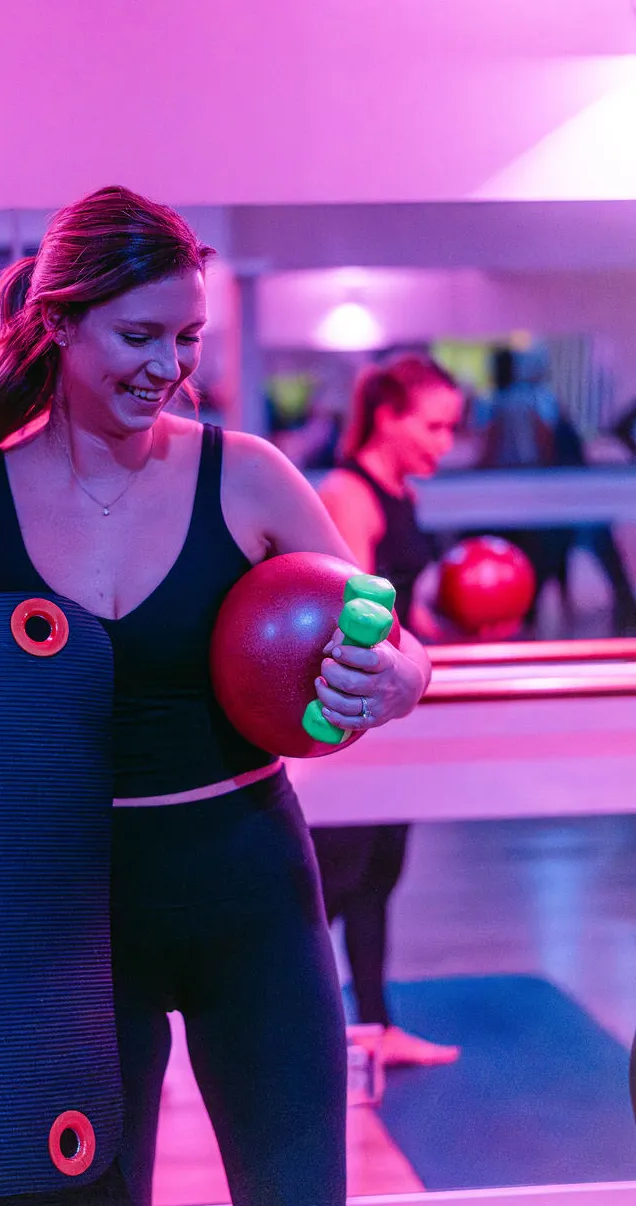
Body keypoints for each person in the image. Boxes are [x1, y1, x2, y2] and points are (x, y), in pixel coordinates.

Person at [0, 186, 431, 1206]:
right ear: (58, 324)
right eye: (139, 335)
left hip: (248, 889)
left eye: (188, 336)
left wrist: (393, 680)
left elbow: (396, 644)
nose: (169, 367)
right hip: (72, 919)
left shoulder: (249, 478)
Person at [313, 354, 464, 1067]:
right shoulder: (351, 492)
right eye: (434, 426)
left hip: (392, 709)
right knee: (334, 883)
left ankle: (377, 1026)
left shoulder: (402, 491)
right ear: (387, 417)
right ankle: (290, 1036)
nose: (445, 442)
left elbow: (413, 605)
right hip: (355, 711)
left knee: (379, 873)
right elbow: (355, 615)